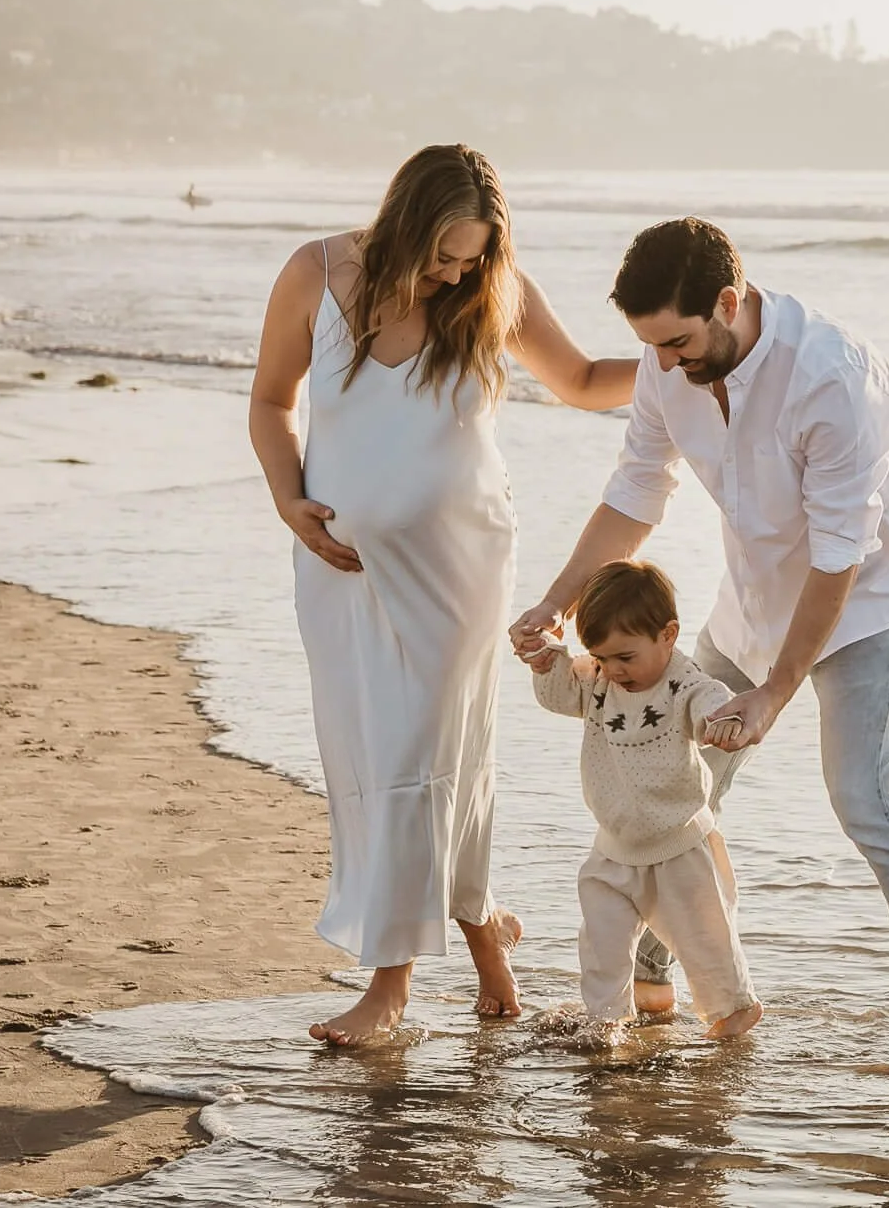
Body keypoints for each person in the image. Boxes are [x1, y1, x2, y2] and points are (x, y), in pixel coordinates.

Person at [509, 216, 889, 1076]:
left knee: (868, 800)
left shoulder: (832, 380)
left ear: (728, 302)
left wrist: (776, 690)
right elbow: (636, 492)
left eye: (678, 341)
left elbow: (838, 554)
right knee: (672, 769)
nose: (664, 363)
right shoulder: (669, 365)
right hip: (751, 600)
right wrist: (557, 602)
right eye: (651, 346)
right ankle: (653, 982)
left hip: (860, 602)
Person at [249, 143, 638, 1047]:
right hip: (339, 569)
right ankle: (485, 929)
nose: (457, 274)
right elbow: (270, 401)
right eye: (443, 255)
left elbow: (581, 381)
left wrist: (679, 362)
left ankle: (390, 986)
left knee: (420, 752)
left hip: (460, 567)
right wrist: (287, 498)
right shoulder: (314, 274)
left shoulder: (494, 290)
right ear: (401, 223)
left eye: (472, 258)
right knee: (383, 753)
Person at [517, 559, 763, 1041]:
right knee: (602, 942)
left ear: (667, 635)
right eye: (601, 657)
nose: (613, 670)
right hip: (613, 848)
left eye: (625, 657)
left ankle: (735, 1014)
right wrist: (546, 662)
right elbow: (561, 694)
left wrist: (723, 721)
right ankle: (606, 1020)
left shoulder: (684, 683)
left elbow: (709, 700)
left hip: (679, 847)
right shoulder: (601, 680)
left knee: (707, 942)